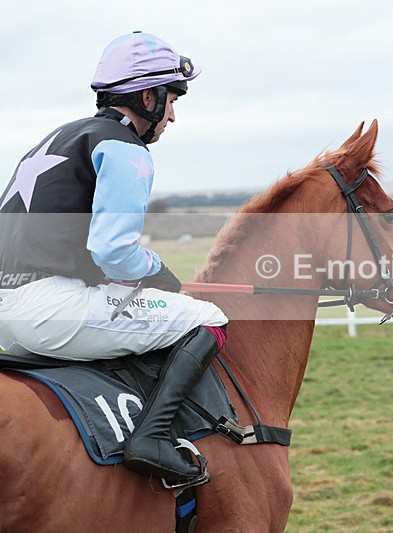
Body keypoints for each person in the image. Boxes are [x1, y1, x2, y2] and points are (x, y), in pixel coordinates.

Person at [0, 31, 228, 487]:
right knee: (209, 317)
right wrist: (158, 272)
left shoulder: (62, 135)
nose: (172, 115)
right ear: (148, 97)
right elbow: (114, 250)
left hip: (9, 310)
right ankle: (152, 438)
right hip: (49, 309)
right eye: (172, 100)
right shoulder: (125, 147)